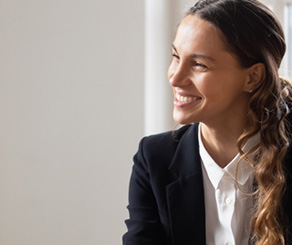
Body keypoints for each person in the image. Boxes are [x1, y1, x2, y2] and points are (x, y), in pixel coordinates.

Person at [123, 0, 292, 244]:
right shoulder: (154, 159)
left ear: (253, 77)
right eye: (175, 56)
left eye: (199, 64)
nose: (175, 77)